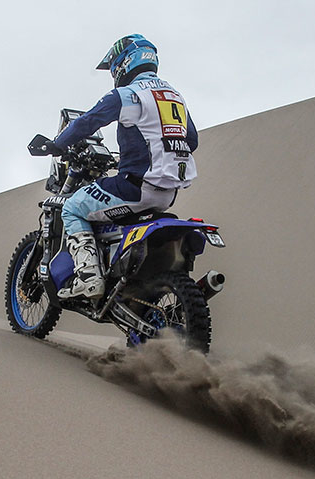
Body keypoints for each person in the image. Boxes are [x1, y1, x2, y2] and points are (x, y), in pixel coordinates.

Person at [44, 34, 198, 299]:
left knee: (72, 207)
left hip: (135, 189)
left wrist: (58, 144)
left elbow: (88, 122)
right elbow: (191, 140)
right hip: (168, 195)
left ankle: (89, 277)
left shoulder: (128, 94)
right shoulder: (174, 96)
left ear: (124, 63)